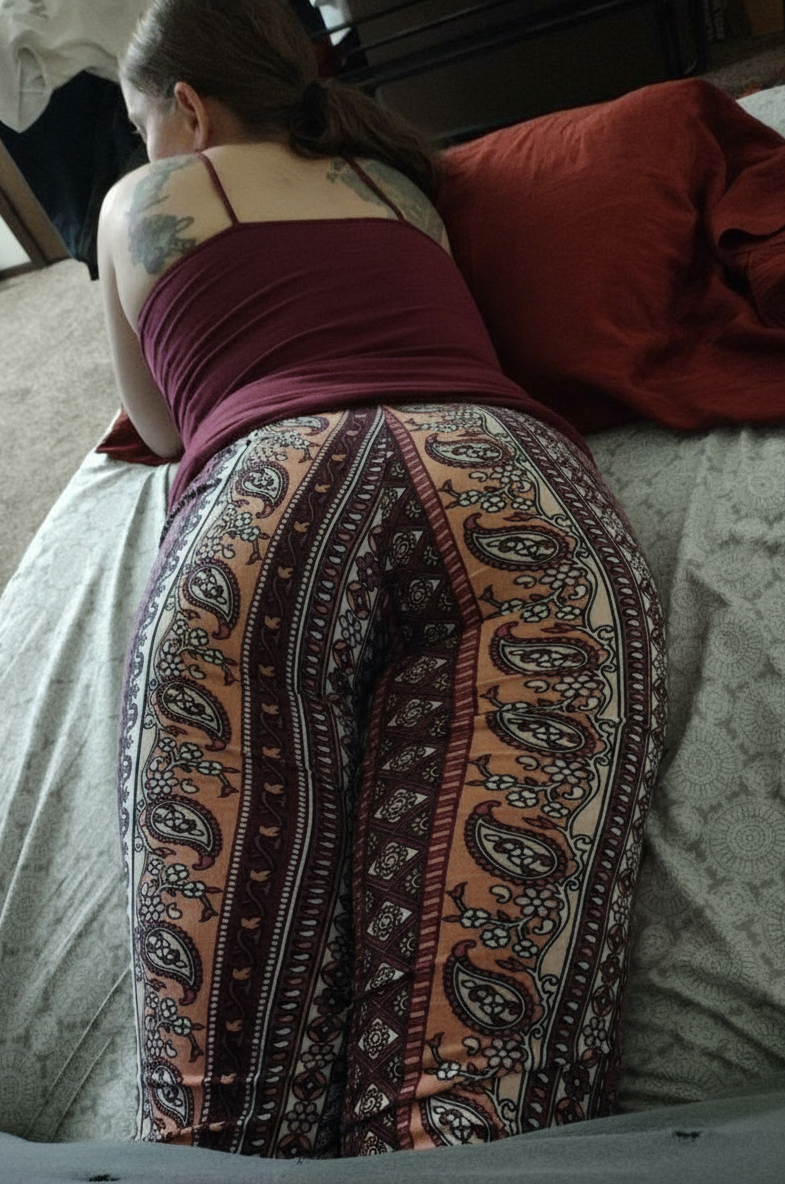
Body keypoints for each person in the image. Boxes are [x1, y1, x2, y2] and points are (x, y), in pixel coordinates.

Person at [99, 0, 666, 1158]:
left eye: (141, 121)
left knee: (220, 1120)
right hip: (506, 475)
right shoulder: (399, 187)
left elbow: (156, 425)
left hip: (271, 493)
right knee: (478, 1103)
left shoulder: (139, 202)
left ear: (188, 109)